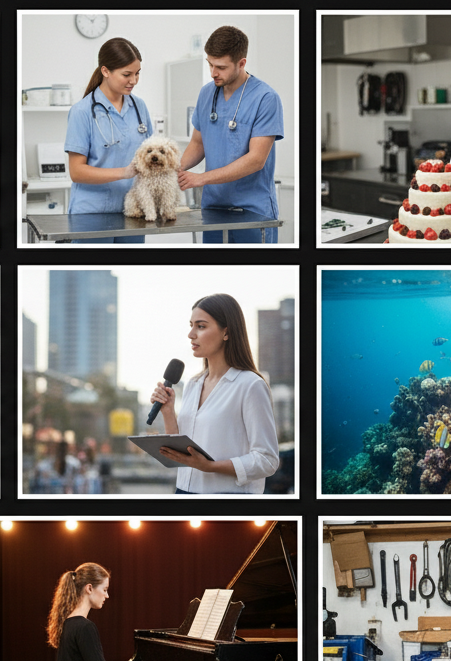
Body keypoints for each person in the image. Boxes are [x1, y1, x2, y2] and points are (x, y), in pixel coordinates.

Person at [148, 293, 280, 493]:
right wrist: (168, 411)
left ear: (226, 332)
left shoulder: (250, 385)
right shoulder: (193, 384)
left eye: (201, 326)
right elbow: (182, 453)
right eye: (191, 325)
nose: (191, 334)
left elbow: (267, 460)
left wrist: (210, 467)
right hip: (183, 491)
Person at [177, 25, 284, 244]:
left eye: (221, 67)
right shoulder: (206, 93)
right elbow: (198, 143)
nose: (213, 72)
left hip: (253, 212)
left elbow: (256, 160)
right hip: (214, 210)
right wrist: (170, 169)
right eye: (210, 64)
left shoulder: (265, 98)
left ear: (241, 63)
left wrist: (201, 179)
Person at [64, 38, 147, 243]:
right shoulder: (82, 112)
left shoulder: (139, 107)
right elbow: (76, 171)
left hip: (133, 212)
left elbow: (149, 154)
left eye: (137, 74)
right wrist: (124, 172)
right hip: (92, 214)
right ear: (105, 71)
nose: (134, 81)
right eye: (126, 74)